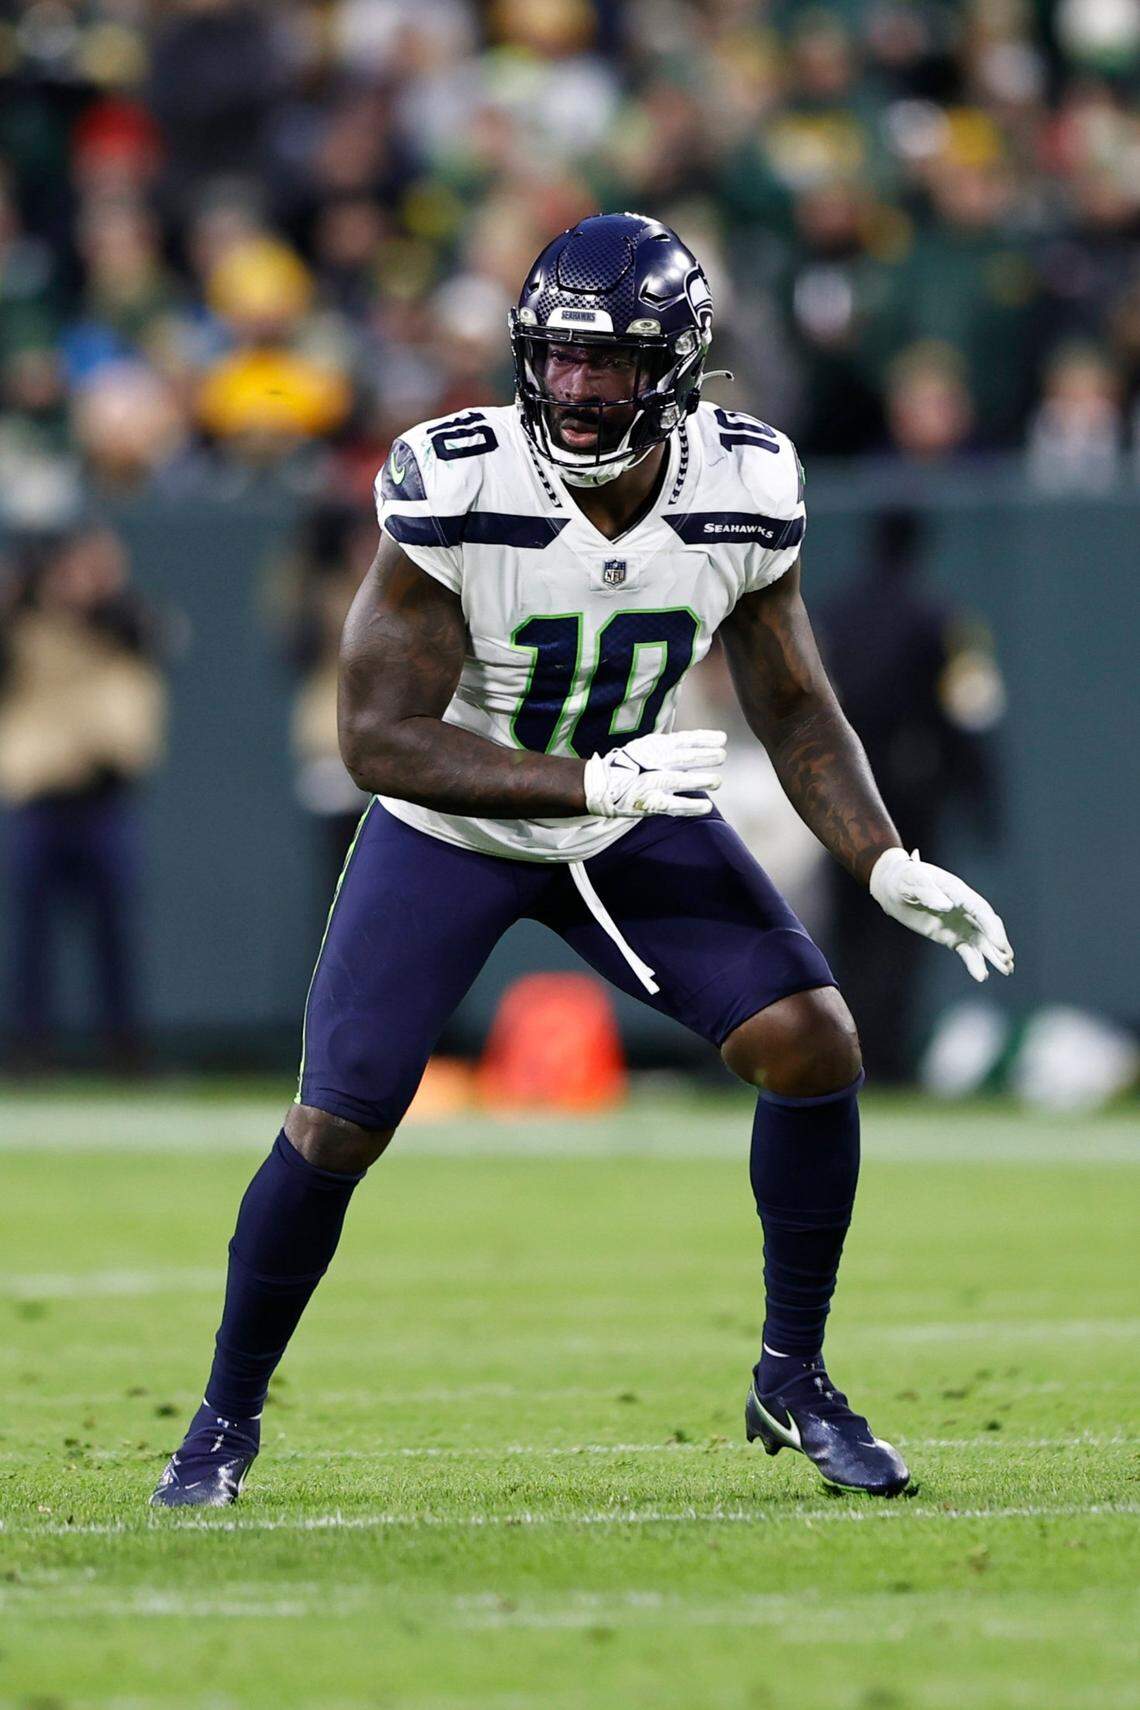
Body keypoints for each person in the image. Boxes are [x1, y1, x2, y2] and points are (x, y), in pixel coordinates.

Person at [153, 213, 1012, 1509]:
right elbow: (380, 738)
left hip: (623, 810)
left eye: (604, 364)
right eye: (554, 357)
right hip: (458, 824)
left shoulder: (742, 480)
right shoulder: (460, 480)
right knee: (339, 1117)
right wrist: (587, 776)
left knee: (813, 1040)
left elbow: (789, 697)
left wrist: (882, 856)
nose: (572, 386)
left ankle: (793, 1372)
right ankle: (220, 1419)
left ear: (672, 365)